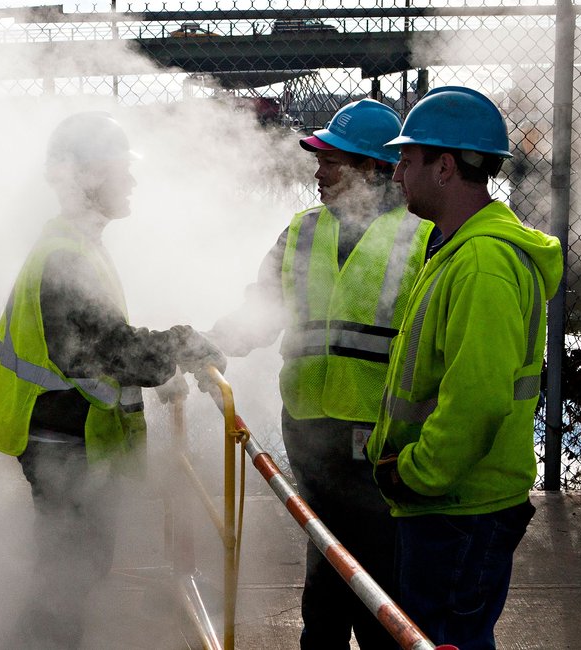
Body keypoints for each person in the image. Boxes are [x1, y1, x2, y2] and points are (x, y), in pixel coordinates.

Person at [0, 110, 225, 650]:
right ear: (83, 176)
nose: (130, 180)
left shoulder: (74, 245)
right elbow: (108, 348)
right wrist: (181, 346)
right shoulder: (64, 257)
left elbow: (106, 347)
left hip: (62, 433)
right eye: (118, 168)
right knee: (67, 576)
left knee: (75, 569)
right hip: (56, 437)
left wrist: (165, 363)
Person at [207, 98, 434, 649]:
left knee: (377, 580)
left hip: (380, 439)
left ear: (373, 169)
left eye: (333, 160)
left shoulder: (422, 238)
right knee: (327, 567)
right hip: (310, 430)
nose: (318, 170)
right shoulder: (303, 232)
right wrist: (213, 344)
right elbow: (262, 306)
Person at [366, 86, 563, 649]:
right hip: (452, 503)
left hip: (455, 506)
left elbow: (477, 399)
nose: (398, 174)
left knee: (444, 637)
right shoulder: (455, 246)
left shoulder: (482, 263)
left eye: (407, 160)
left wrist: (415, 473)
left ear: (445, 166)